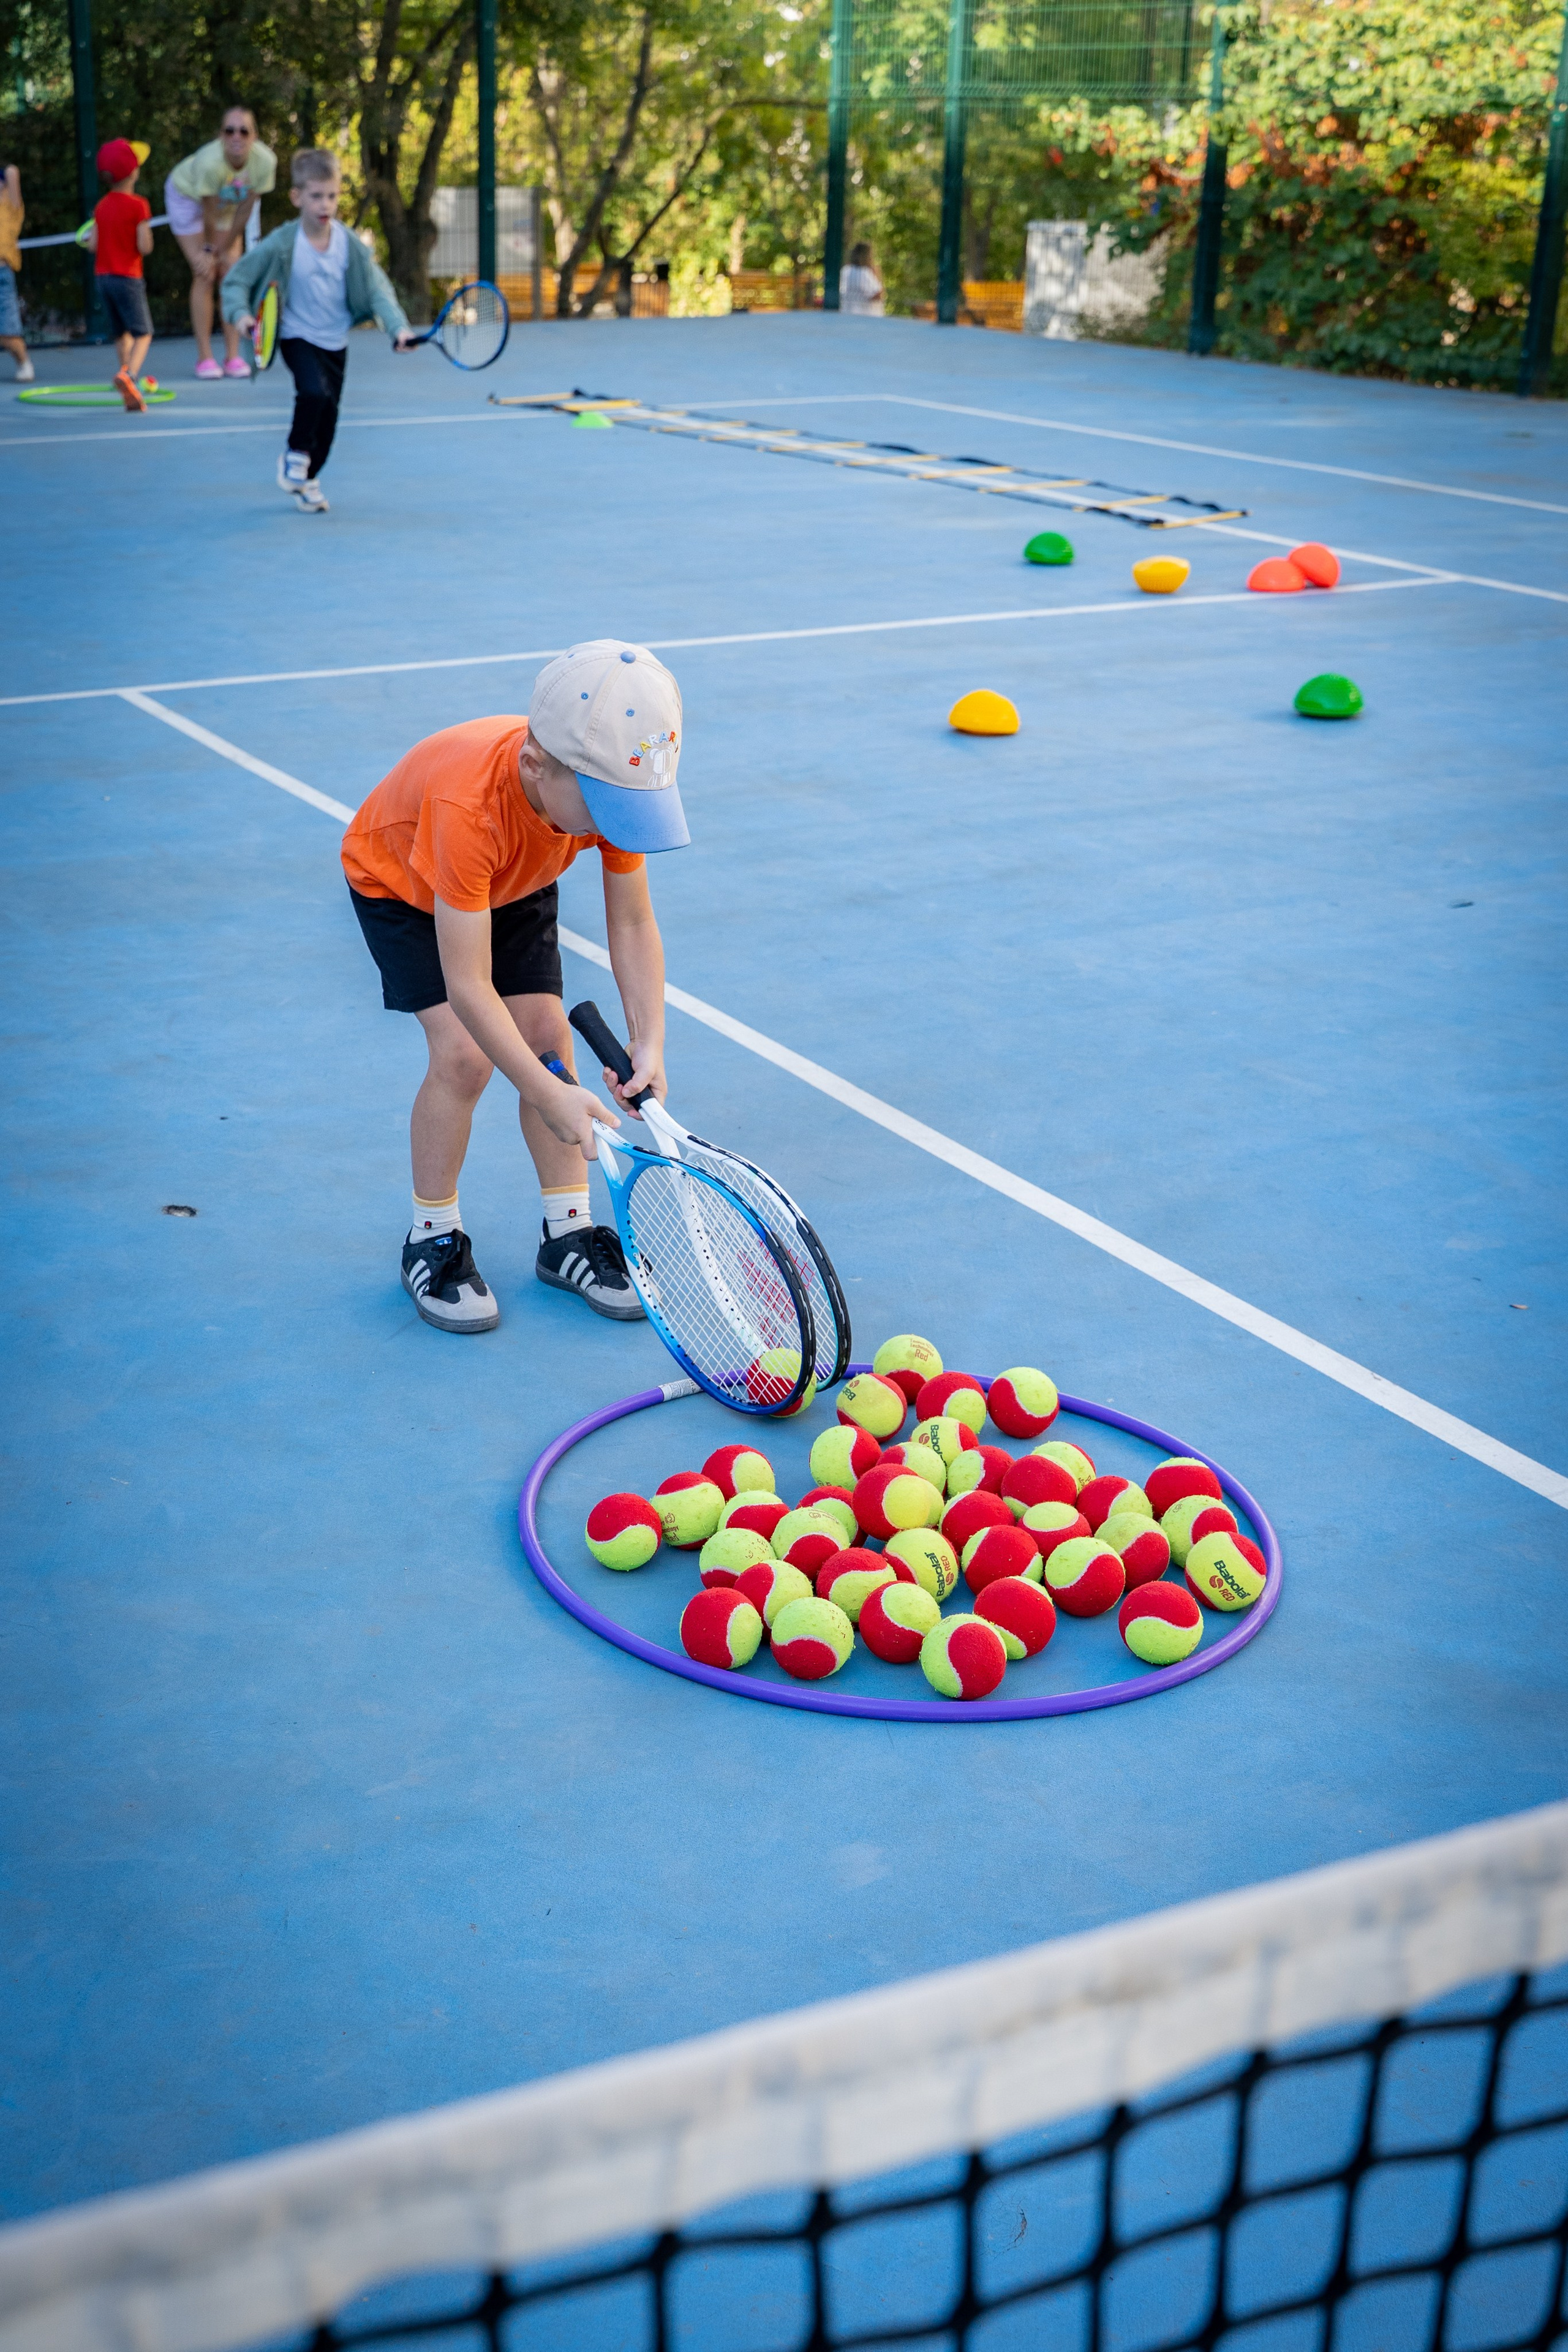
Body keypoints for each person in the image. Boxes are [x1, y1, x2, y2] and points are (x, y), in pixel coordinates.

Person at [339, 641, 688, 1335]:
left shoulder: (599, 790)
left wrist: (649, 1039)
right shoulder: (469, 807)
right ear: (536, 766)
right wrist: (545, 1091)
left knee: (547, 1038)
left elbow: (633, 918)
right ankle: (431, 1238)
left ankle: (567, 1234)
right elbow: (469, 984)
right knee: (465, 1056)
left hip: (517, 875)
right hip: (407, 884)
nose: (614, 824)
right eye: (603, 806)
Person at [224, 148, 413, 514]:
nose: (325, 205)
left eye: (332, 196)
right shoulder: (283, 244)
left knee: (328, 424)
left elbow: (379, 291)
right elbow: (236, 281)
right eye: (316, 196)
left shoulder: (351, 247)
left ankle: (309, 478)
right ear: (297, 197)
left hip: (335, 341)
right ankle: (294, 454)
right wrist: (243, 317)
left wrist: (399, 329)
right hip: (296, 335)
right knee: (312, 392)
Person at [167, 107, 277, 377]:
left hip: (228, 205)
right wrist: (209, 252)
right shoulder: (209, 163)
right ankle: (205, 358)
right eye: (229, 131)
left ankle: (233, 357)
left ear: (255, 136)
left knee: (231, 274)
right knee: (204, 272)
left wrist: (224, 251)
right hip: (187, 199)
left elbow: (244, 210)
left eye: (244, 131)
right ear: (221, 136)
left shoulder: (265, 162)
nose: (236, 136)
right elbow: (209, 213)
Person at [84, 139, 154, 412]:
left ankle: (125, 379)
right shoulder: (139, 206)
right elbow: (144, 247)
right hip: (128, 278)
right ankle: (130, 377)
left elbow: (92, 245)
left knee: (120, 333)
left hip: (104, 278)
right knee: (144, 333)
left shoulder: (101, 207)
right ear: (134, 173)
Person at [0, 157, 32, 381]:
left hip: (2, 275)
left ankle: (23, 363)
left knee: (8, 334)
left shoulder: (11, 209)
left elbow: (12, 171)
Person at [839, 241, 885, 316]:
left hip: (846, 313)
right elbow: (878, 295)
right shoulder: (865, 273)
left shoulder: (846, 270)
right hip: (866, 317)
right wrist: (878, 275)